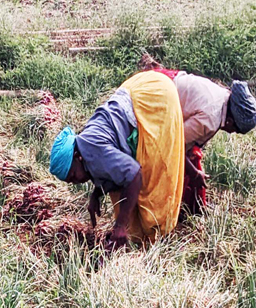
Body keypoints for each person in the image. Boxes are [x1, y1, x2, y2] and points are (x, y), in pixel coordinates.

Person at [48, 70, 185, 249]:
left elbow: (134, 174)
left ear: (77, 156)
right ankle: (135, 242)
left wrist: (120, 226)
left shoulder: (92, 148)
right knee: (123, 194)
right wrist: (96, 194)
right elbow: (106, 166)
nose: (77, 181)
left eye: (73, 175)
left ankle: (160, 243)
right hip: (140, 85)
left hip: (155, 99)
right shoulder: (85, 144)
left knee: (154, 184)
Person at [152, 70, 256, 216]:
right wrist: (194, 173)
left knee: (193, 157)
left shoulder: (222, 96)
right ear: (230, 121)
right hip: (154, 99)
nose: (231, 133)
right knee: (163, 167)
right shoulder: (210, 119)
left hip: (161, 81)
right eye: (235, 130)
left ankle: (190, 208)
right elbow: (172, 145)